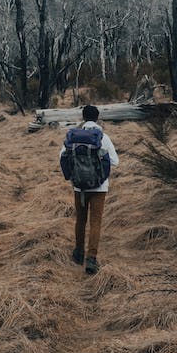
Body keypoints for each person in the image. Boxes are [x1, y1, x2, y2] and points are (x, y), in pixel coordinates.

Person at [61, 105, 119, 275]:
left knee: (80, 219)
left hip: (79, 186)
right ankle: (91, 259)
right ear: (97, 117)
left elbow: (61, 156)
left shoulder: (73, 136)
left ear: (83, 117)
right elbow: (115, 161)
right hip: (99, 187)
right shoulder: (103, 137)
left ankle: (78, 253)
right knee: (96, 222)